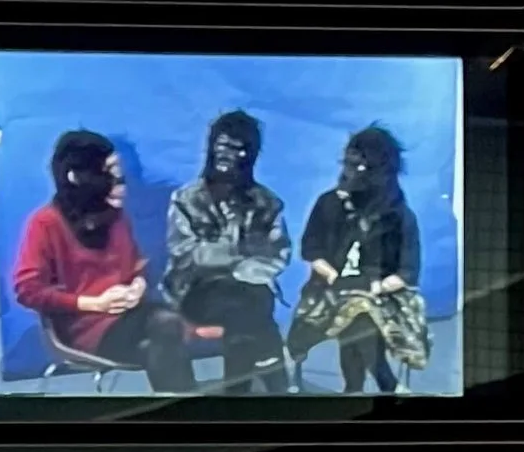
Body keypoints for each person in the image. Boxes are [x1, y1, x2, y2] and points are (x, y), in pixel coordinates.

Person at [9, 132, 193, 393]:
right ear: (76, 177)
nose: (120, 183)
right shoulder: (44, 224)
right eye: (109, 173)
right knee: (167, 325)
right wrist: (93, 303)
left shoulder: (117, 218)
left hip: (131, 318)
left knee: (159, 343)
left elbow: (137, 266)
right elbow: (27, 289)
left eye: (120, 174)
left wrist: (138, 285)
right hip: (83, 327)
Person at [289, 127, 429, 394]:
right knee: (354, 309)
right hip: (328, 288)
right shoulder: (328, 203)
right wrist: (334, 278)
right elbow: (311, 250)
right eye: (349, 163)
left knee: (361, 311)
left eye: (361, 166)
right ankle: (382, 381)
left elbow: (408, 271)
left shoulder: (399, 216)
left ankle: (355, 388)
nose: (351, 172)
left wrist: (375, 288)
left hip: (386, 297)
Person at [163, 111, 293, 393]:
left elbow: (278, 255)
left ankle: (236, 394)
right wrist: (237, 257)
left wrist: (240, 270)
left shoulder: (268, 203)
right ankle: (273, 377)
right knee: (252, 312)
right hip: (197, 290)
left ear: (249, 156)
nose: (225, 154)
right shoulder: (186, 199)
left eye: (236, 148)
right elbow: (185, 253)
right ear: (210, 147)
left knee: (246, 307)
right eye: (220, 145)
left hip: (251, 289)